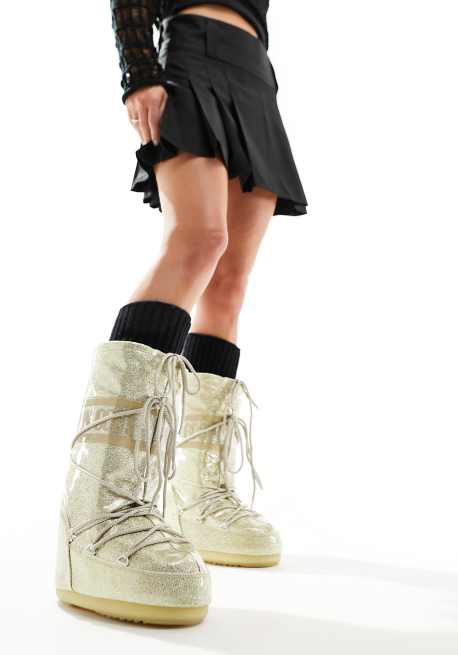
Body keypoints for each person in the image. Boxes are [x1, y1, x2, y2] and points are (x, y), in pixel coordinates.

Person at [55, 0, 307, 626]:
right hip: (191, 50)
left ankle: (199, 496)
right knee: (197, 239)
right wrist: (139, 69)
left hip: (256, 70)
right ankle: (96, 513)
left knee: (229, 283)